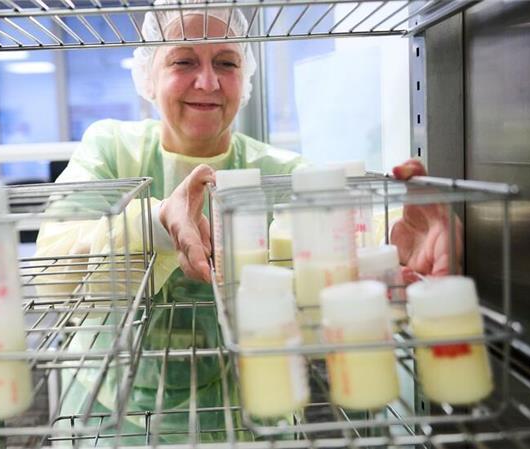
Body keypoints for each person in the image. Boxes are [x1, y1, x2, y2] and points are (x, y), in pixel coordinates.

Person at [34, 1, 461, 444]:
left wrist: (394, 251)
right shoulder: (110, 149)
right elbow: (53, 278)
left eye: (226, 62)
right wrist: (158, 222)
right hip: (113, 420)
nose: (208, 81)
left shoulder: (279, 171)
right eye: (183, 60)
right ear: (149, 74)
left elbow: (347, 238)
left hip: (247, 416)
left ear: (246, 76)